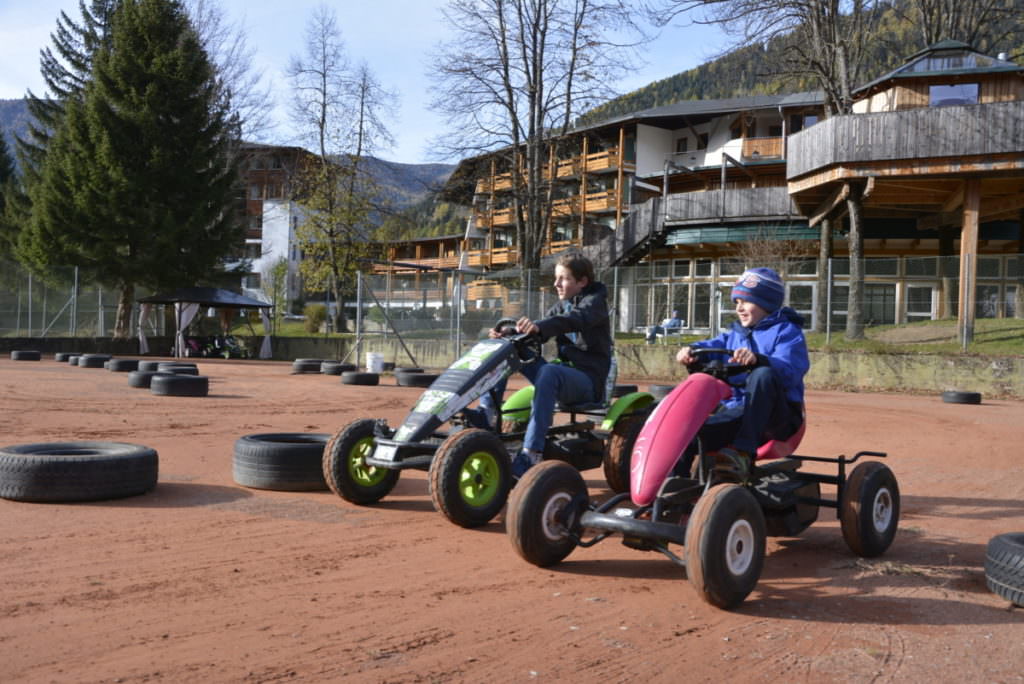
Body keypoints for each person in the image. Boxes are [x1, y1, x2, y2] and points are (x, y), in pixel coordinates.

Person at [469, 252, 612, 478]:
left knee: (549, 371)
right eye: (556, 278)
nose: (556, 284)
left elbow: (574, 319)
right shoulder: (561, 306)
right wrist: (508, 333)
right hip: (562, 376)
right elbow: (538, 332)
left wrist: (539, 326)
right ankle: (487, 412)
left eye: (563, 278)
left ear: (582, 281)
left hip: (587, 381)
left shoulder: (595, 303)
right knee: (508, 348)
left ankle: (532, 453)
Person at [674, 267, 809, 480]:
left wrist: (759, 359)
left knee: (763, 374)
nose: (739, 308)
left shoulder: (787, 332)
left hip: (778, 418)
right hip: (738, 412)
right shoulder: (734, 335)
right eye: (736, 303)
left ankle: (743, 453)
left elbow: (790, 370)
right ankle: (670, 495)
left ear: (766, 303)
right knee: (687, 435)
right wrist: (691, 351)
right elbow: (710, 346)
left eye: (746, 301)